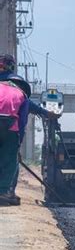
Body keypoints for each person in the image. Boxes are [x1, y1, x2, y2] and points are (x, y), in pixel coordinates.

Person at [0, 60, 55, 206]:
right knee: (9, 160)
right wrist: (18, 143)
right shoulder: (21, 92)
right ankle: (5, 192)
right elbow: (23, 120)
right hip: (11, 126)